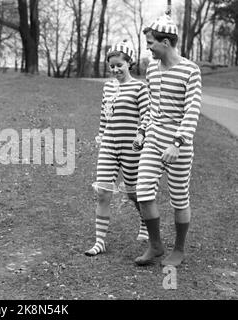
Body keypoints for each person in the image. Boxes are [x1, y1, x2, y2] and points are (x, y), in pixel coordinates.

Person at [133, 14, 202, 266]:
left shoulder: (190, 70)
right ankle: (156, 245)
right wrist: (142, 131)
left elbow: (192, 109)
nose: (148, 48)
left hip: (178, 145)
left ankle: (179, 249)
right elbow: (151, 106)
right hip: (153, 139)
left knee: (179, 197)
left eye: (151, 43)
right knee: (143, 192)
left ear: (165, 41)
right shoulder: (151, 68)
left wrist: (178, 142)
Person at [84, 40, 151, 257]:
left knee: (133, 193)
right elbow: (105, 114)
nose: (115, 70)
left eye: (119, 65)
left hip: (132, 147)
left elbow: (147, 115)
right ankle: (100, 241)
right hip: (109, 145)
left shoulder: (140, 87)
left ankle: (144, 221)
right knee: (103, 192)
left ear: (129, 63)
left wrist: (141, 134)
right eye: (111, 66)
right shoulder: (108, 87)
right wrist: (101, 134)